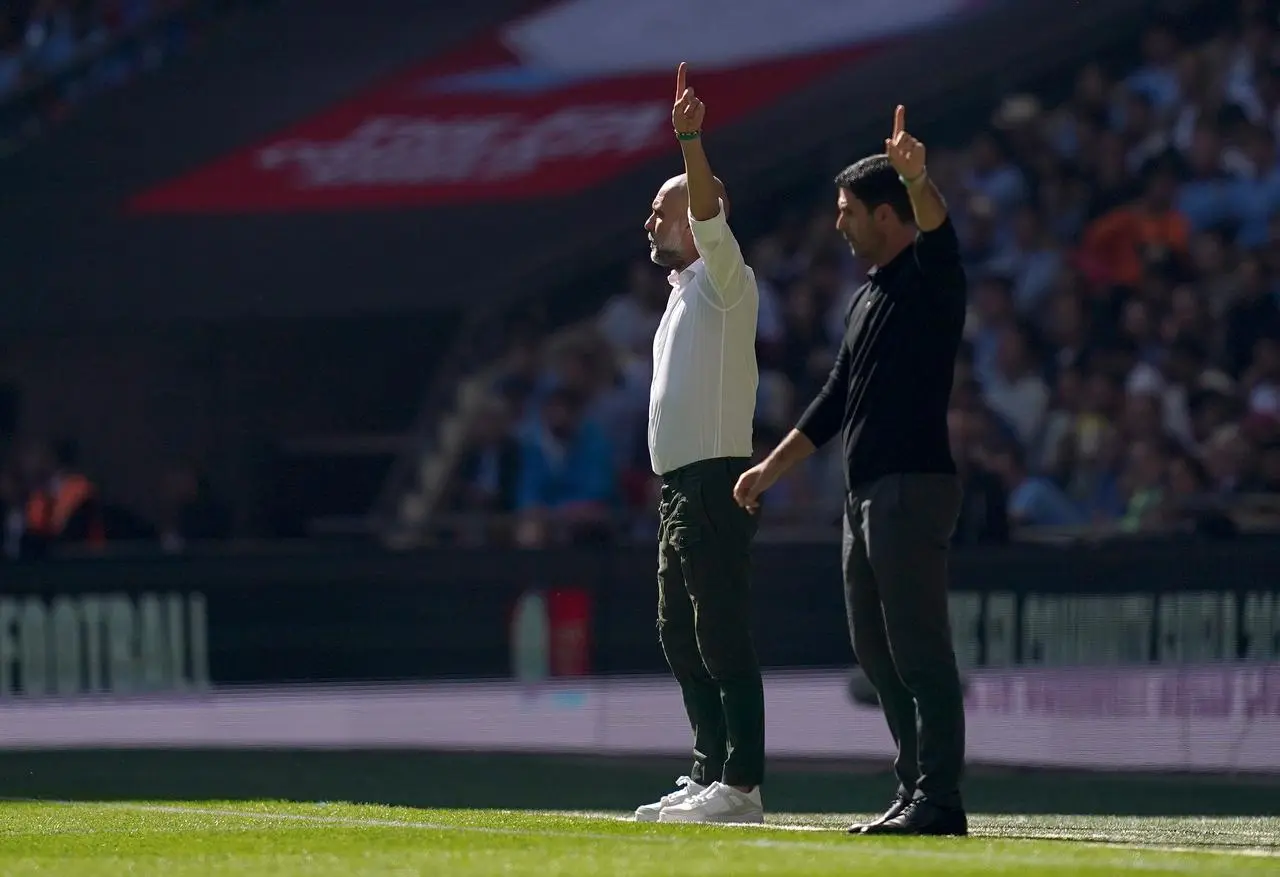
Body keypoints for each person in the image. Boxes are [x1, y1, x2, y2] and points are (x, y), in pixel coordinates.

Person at [734, 106, 970, 836]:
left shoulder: (930, 279)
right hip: (865, 495)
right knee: (878, 652)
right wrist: (768, 468)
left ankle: (940, 797)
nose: (839, 224)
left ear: (887, 215)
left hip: (911, 486)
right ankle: (913, 788)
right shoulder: (867, 295)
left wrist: (916, 176)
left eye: (849, 212)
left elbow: (938, 228)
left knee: (920, 648)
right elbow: (836, 396)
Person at [634, 63, 764, 825]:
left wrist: (690, 140)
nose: (648, 221)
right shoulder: (687, 295)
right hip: (678, 485)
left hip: (715, 479)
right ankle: (710, 768)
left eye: (661, 209)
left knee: (720, 632)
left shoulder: (726, 280)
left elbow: (709, 212)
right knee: (677, 632)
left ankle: (742, 785)